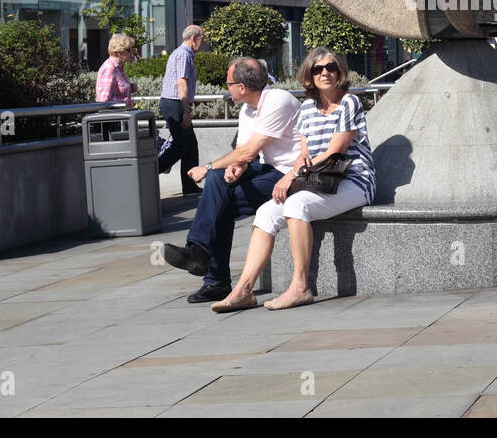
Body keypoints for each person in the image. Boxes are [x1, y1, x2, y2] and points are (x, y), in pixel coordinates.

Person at [211, 47, 376, 313]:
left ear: (339, 71)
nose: (325, 73)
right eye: (318, 69)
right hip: (319, 180)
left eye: (331, 67)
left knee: (296, 205)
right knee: (265, 212)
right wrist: (298, 163)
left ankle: (300, 287)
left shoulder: (349, 102)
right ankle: (243, 289)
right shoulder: (307, 108)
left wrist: (289, 176)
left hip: (354, 180)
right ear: (309, 75)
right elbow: (305, 152)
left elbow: (335, 152)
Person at [161, 56, 302, 303]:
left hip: (291, 175)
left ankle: (211, 274)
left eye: (228, 84)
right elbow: (243, 152)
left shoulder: (278, 101)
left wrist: (208, 166)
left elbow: (249, 151)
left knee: (219, 196)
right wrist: (234, 167)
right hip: (267, 168)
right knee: (219, 181)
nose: (226, 87)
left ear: (242, 87)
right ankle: (199, 255)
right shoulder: (248, 108)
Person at [159, 26, 206, 195]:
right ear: (194, 38)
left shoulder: (183, 53)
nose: (204, 41)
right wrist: (186, 110)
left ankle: (189, 185)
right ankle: (152, 170)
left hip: (175, 103)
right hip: (175, 104)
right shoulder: (184, 54)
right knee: (183, 145)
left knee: (189, 145)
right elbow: (181, 83)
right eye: (203, 38)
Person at [95, 33, 137, 108]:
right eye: (129, 50)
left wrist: (130, 87)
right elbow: (103, 101)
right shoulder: (109, 68)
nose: (131, 53)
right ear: (118, 53)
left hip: (122, 116)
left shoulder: (119, 67)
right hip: (114, 117)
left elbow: (116, 90)